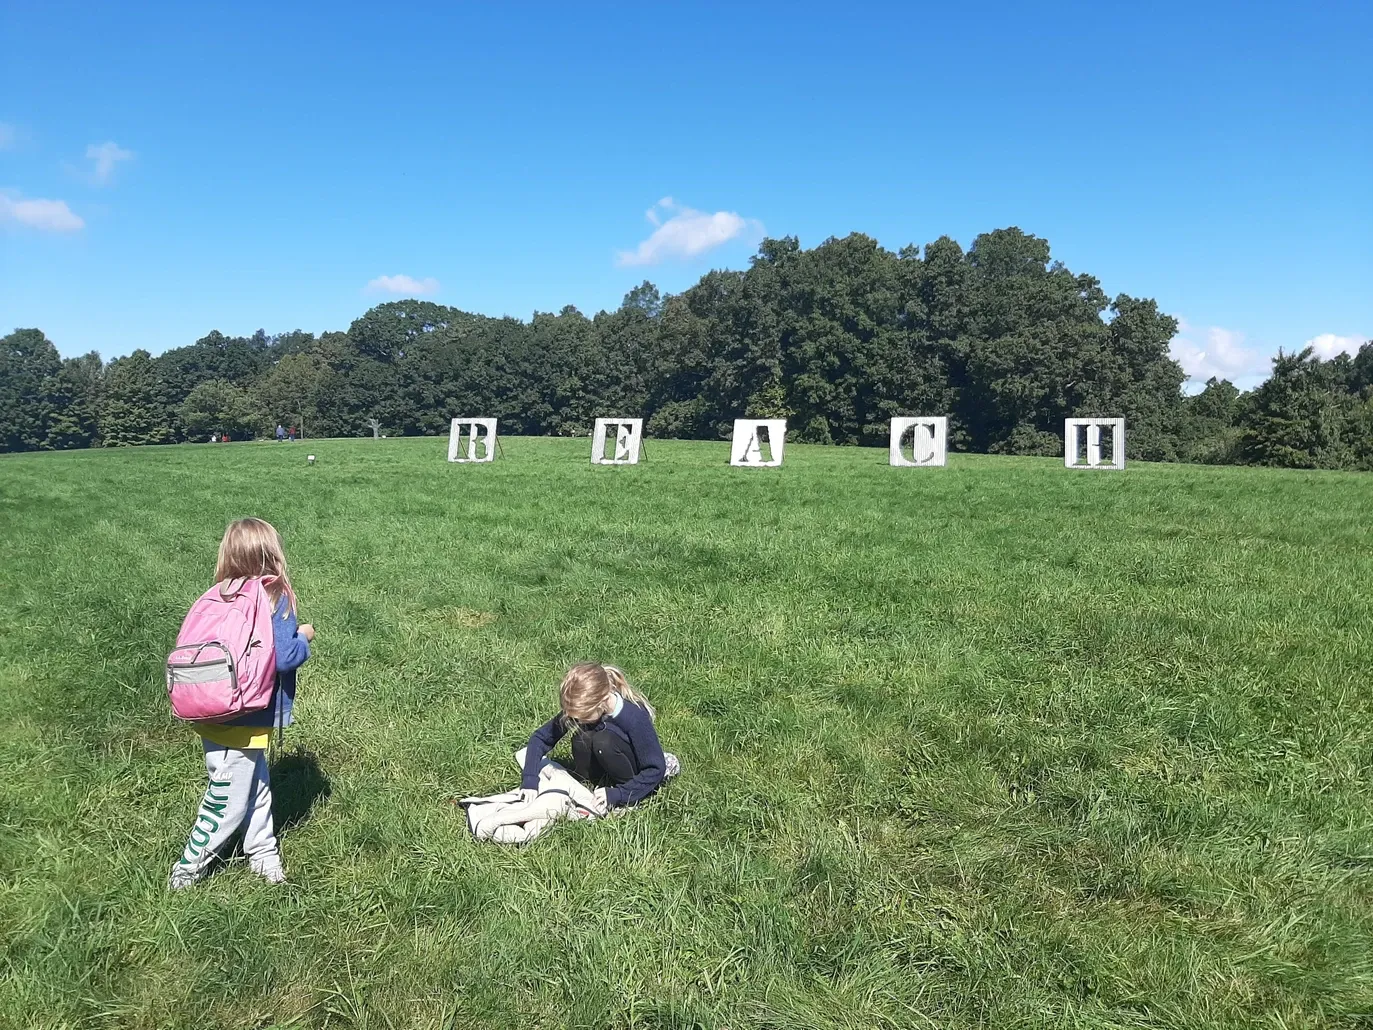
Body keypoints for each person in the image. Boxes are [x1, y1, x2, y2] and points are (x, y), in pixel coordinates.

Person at [169, 518, 315, 889]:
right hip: (247, 712)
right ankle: (186, 872)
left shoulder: (219, 592)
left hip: (208, 703)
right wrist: (304, 638)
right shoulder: (274, 595)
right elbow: (283, 657)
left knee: (255, 784)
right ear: (272, 555)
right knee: (227, 799)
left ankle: (263, 854)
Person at [520, 663, 678, 812]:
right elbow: (540, 738)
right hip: (602, 766)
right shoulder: (583, 708)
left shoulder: (634, 718)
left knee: (603, 741)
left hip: (630, 775)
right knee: (582, 738)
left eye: (583, 716)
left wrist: (619, 794)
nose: (578, 721)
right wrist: (529, 780)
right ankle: (587, 783)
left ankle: (625, 797)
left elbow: (655, 769)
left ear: (602, 702)